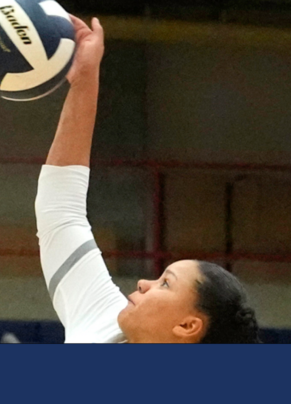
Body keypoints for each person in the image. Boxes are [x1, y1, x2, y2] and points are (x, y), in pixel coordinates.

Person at [36, 16, 260, 343]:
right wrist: (84, 77)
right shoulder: (104, 323)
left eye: (165, 283)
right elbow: (59, 211)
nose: (143, 283)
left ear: (187, 326)